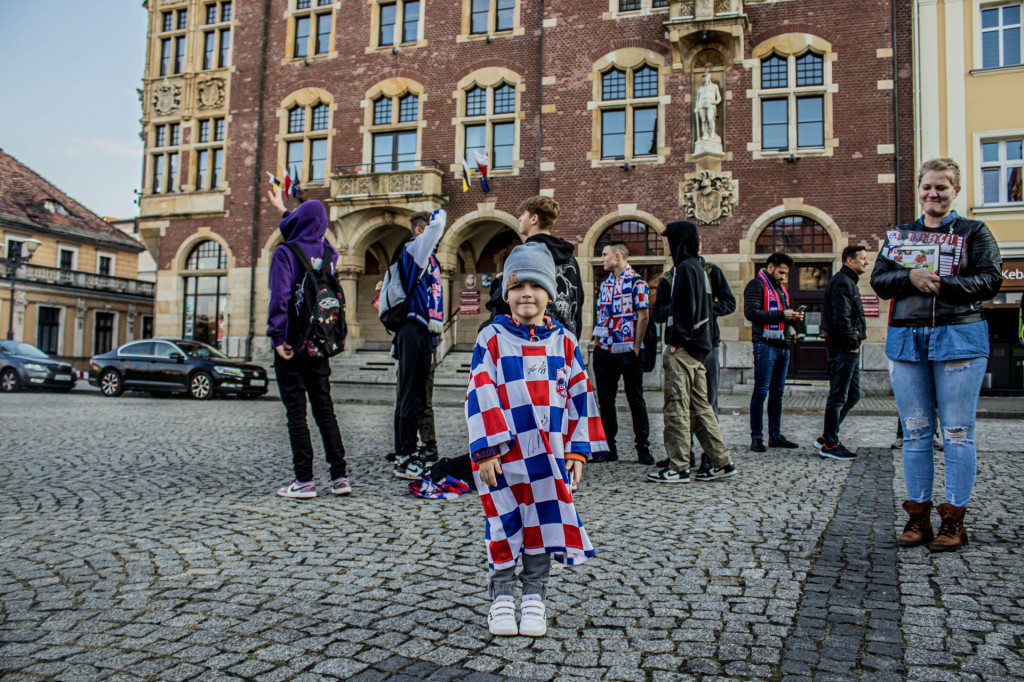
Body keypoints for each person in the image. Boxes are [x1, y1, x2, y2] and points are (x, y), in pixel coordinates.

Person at [465, 242, 606, 636]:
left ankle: (534, 597)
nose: (526, 292)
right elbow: (480, 393)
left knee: (542, 525)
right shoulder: (491, 339)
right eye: (517, 285)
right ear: (506, 294)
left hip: (549, 457)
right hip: (503, 458)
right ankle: (501, 596)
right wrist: (487, 449)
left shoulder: (564, 342)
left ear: (549, 293)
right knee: (502, 523)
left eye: (535, 285)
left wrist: (578, 449)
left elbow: (581, 396)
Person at [871, 157, 1002, 552]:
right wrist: (908, 276)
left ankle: (954, 520)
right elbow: (879, 281)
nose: (933, 194)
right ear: (919, 190)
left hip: (959, 336)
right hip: (907, 339)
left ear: (955, 192)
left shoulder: (974, 231)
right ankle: (918, 517)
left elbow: (991, 279)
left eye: (942, 188)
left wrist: (944, 285)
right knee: (915, 432)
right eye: (927, 187)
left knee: (958, 433)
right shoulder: (900, 235)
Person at [266, 186, 350, 498]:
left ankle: (304, 480)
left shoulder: (285, 253)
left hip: (291, 343)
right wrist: (282, 209)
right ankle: (339, 477)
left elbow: (281, 298)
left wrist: (278, 336)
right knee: (324, 408)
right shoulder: (330, 254)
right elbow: (307, 228)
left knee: (295, 412)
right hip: (320, 343)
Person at [648, 220, 737, 484]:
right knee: (702, 408)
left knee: (677, 407)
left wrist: (676, 339)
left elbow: (685, 311)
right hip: (700, 348)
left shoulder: (684, 269)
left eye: (669, 239)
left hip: (684, 349)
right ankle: (722, 461)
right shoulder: (697, 268)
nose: (667, 245)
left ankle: (679, 467)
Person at [377, 212, 443, 466]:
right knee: (412, 395)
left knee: (411, 393)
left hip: (421, 333)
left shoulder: (430, 261)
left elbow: (433, 305)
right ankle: (406, 453)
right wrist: (438, 212)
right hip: (413, 330)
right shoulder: (416, 252)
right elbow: (437, 226)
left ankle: (406, 449)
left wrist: (433, 344)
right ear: (419, 232)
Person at [485, 196, 584, 338]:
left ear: (534, 219)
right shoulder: (571, 259)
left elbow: (501, 304)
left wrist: (499, 283)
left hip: (527, 344)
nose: (519, 219)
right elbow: (578, 304)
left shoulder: (524, 257)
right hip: (563, 343)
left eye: (523, 214)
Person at [591, 240, 653, 464]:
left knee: (635, 399)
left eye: (605, 255)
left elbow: (643, 316)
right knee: (605, 401)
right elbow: (601, 315)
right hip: (605, 349)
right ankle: (609, 448)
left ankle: (643, 448)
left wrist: (636, 346)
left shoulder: (637, 283)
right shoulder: (605, 284)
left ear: (618, 256)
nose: (602, 259)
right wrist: (597, 342)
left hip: (628, 349)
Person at [744, 251, 803, 452]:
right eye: (781, 272)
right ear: (770, 267)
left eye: (785, 274)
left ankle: (775, 436)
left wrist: (793, 317)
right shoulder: (756, 285)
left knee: (777, 393)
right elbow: (751, 313)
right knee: (761, 392)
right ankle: (757, 438)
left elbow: (781, 317)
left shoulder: (780, 290)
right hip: (765, 344)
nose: (783, 277)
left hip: (782, 345)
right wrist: (782, 314)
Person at [816, 245, 869, 461]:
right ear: (850, 260)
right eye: (863, 258)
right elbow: (842, 316)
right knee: (838, 396)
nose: (866, 262)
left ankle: (826, 437)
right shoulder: (843, 282)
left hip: (847, 345)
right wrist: (851, 342)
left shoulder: (848, 281)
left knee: (853, 395)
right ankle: (830, 444)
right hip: (844, 346)